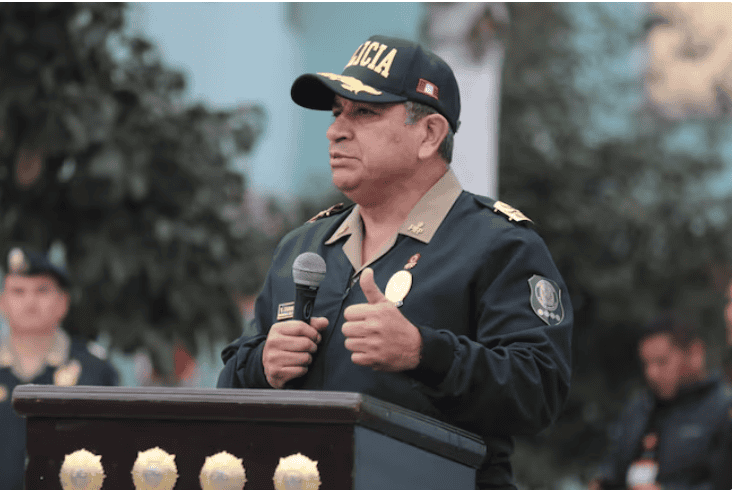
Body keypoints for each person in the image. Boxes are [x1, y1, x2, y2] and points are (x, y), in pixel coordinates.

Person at [217, 34, 573, 489]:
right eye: (336, 112)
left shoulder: (498, 244)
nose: (335, 131)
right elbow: (229, 385)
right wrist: (263, 365)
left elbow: (538, 390)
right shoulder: (302, 247)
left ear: (429, 135)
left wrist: (425, 354)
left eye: (364, 113)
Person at [0, 247, 119, 489]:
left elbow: (114, 449)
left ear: (63, 302)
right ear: (2, 303)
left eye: (42, 291)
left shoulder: (95, 373)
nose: (30, 302)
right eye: (18, 291)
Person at [588, 314, 732, 490]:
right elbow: (612, 471)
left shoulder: (723, 409)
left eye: (662, 362)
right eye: (646, 364)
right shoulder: (639, 408)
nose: (651, 374)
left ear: (694, 353)